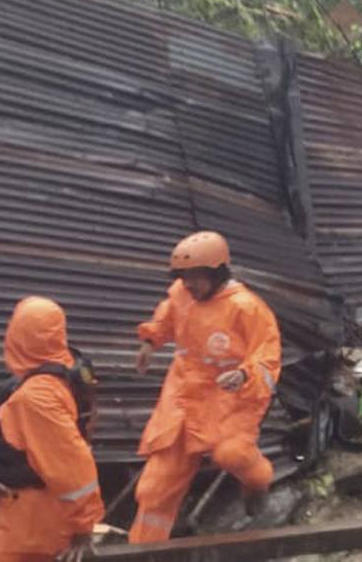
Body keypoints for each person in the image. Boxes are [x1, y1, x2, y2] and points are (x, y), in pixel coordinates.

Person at [128, 230, 282, 544]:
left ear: (216, 273)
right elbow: (166, 317)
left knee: (232, 455)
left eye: (195, 277)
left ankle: (257, 485)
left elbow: (268, 359)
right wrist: (149, 341)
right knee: (152, 489)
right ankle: (143, 552)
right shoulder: (181, 295)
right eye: (184, 277)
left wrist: (244, 375)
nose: (188, 285)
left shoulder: (247, 308)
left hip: (231, 399)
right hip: (183, 398)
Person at [0, 297, 103, 562]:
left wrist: (84, 530)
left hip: (28, 519)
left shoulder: (34, 398)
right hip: (39, 513)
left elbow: (72, 465)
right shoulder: (62, 372)